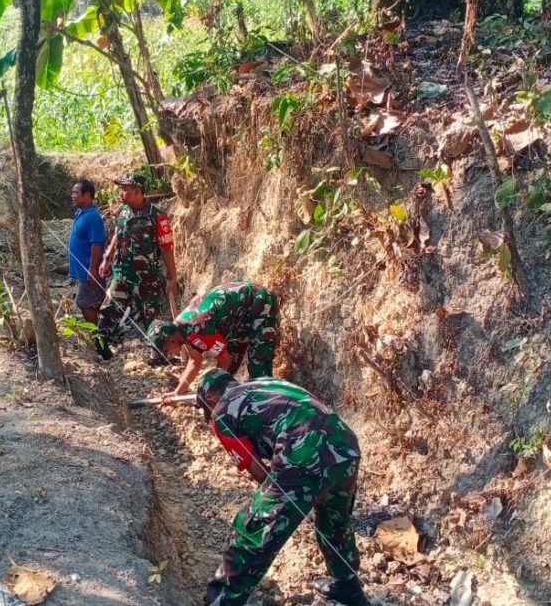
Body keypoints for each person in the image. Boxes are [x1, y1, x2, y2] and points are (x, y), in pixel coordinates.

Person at [194, 369, 370, 606]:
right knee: (334, 521)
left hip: (304, 448)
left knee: (256, 525)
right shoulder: (263, 384)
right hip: (345, 443)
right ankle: (349, 589)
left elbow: (257, 470)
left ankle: (222, 600)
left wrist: (281, 505)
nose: (210, 415)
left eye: (207, 408)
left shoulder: (222, 412)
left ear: (212, 398)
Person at [146, 280, 279, 398]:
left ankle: (266, 404)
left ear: (171, 340)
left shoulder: (197, 331)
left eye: (166, 350)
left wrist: (210, 390)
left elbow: (224, 360)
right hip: (240, 314)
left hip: (259, 303)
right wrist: (177, 393)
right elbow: (195, 361)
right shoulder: (181, 326)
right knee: (229, 368)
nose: (170, 353)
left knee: (258, 363)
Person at [95, 172, 177, 361]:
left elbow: (166, 248)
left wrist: (173, 277)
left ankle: (157, 355)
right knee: (108, 309)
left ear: (138, 191)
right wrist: (107, 257)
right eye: (121, 188)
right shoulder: (123, 212)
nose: (121, 192)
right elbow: (117, 233)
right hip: (122, 274)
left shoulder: (157, 217)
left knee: (151, 316)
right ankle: (101, 348)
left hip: (147, 278)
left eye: (125, 189)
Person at [68, 178, 110, 356]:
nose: (73, 196)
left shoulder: (92, 217)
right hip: (83, 268)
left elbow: (97, 244)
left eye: (76, 193)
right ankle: (100, 339)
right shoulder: (81, 213)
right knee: (92, 303)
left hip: (89, 270)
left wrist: (93, 268)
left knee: (84, 302)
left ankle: (99, 340)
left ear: (87, 195)